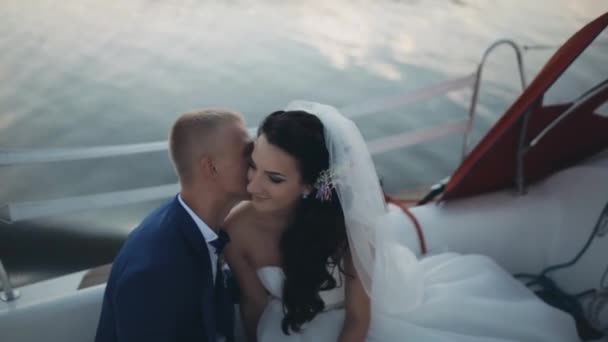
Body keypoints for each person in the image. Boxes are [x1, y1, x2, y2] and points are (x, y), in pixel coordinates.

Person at [224, 101, 580, 342]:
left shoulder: (347, 228)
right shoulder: (238, 229)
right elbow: (254, 306)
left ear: (307, 186)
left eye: (274, 178)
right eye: (253, 165)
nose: (252, 186)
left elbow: (358, 318)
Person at [95, 108, 251, 342]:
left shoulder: (196, 223)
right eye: (247, 153)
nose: (257, 161)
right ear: (211, 167)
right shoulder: (153, 272)